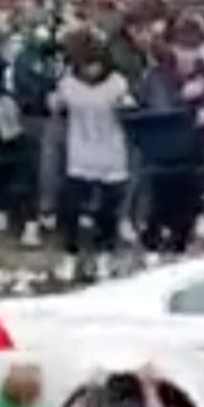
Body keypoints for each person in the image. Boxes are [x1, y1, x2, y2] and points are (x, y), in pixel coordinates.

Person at [53, 32, 132, 283]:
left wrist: (127, 106)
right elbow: (55, 104)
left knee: (108, 212)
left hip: (111, 155)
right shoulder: (68, 84)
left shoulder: (117, 84)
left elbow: (130, 107)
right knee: (72, 209)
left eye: (95, 64)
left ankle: (103, 258)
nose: (91, 70)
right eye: (86, 65)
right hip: (80, 155)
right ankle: (70, 256)